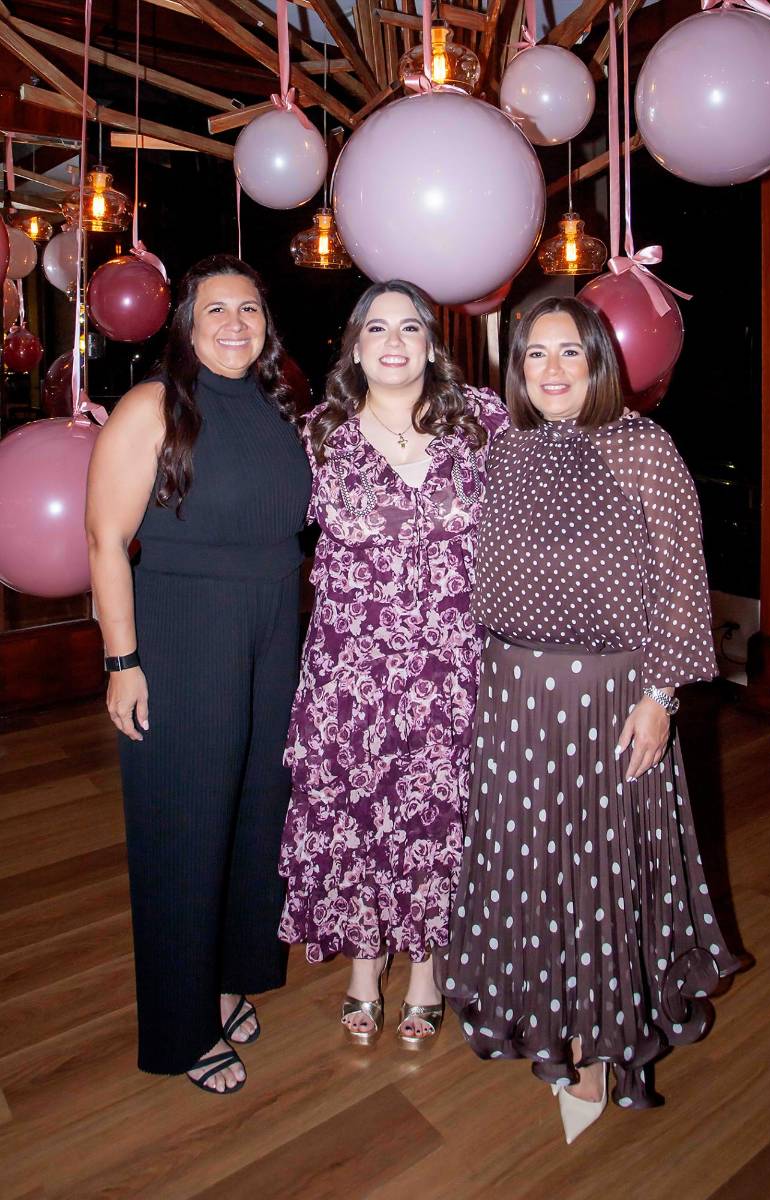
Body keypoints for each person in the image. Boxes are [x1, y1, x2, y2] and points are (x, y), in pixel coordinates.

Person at [437, 296, 739, 1141]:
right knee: (531, 863)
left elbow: (683, 580)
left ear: (600, 361)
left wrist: (660, 697)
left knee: (604, 867)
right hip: (513, 696)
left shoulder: (643, 449)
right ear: (519, 371)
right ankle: (545, 1015)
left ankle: (609, 1037)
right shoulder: (504, 450)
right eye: (536, 355)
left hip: (612, 698)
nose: (554, 370)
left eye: (571, 352)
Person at [86, 254, 311, 1094]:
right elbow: (105, 539)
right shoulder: (153, 406)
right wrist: (123, 660)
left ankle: (228, 977)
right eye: (214, 310)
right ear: (185, 323)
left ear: (265, 325)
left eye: (248, 310)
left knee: (256, 813)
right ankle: (181, 1029)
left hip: (270, 633)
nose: (232, 324)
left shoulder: (277, 405)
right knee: (183, 829)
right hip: (182, 634)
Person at [278, 279, 507, 1048]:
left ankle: (427, 970)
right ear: (355, 345)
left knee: (440, 813)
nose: (394, 341)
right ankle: (364, 962)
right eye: (377, 328)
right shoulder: (316, 437)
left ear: (431, 343)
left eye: (410, 327)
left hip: (452, 665)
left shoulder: (480, 423)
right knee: (359, 808)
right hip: (351, 668)